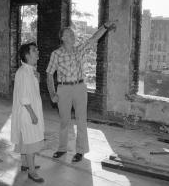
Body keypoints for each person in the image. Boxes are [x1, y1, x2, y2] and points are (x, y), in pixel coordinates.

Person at [46, 21, 116, 162]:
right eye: (69, 34)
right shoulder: (56, 54)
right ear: (62, 38)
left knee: (81, 120)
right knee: (64, 121)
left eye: (73, 33)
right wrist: (52, 94)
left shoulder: (80, 49)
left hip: (79, 87)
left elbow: (94, 38)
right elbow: (49, 74)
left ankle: (80, 150)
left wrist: (105, 27)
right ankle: (62, 148)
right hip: (63, 89)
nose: (72, 35)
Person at [11, 42, 45, 183]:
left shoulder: (30, 70)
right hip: (27, 112)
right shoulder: (23, 72)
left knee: (26, 139)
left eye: (37, 50)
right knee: (31, 140)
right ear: (27, 55)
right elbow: (24, 97)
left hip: (30, 109)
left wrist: (38, 77)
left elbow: (32, 91)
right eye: (34, 51)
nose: (37, 53)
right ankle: (32, 172)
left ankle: (25, 164)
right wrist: (32, 114)